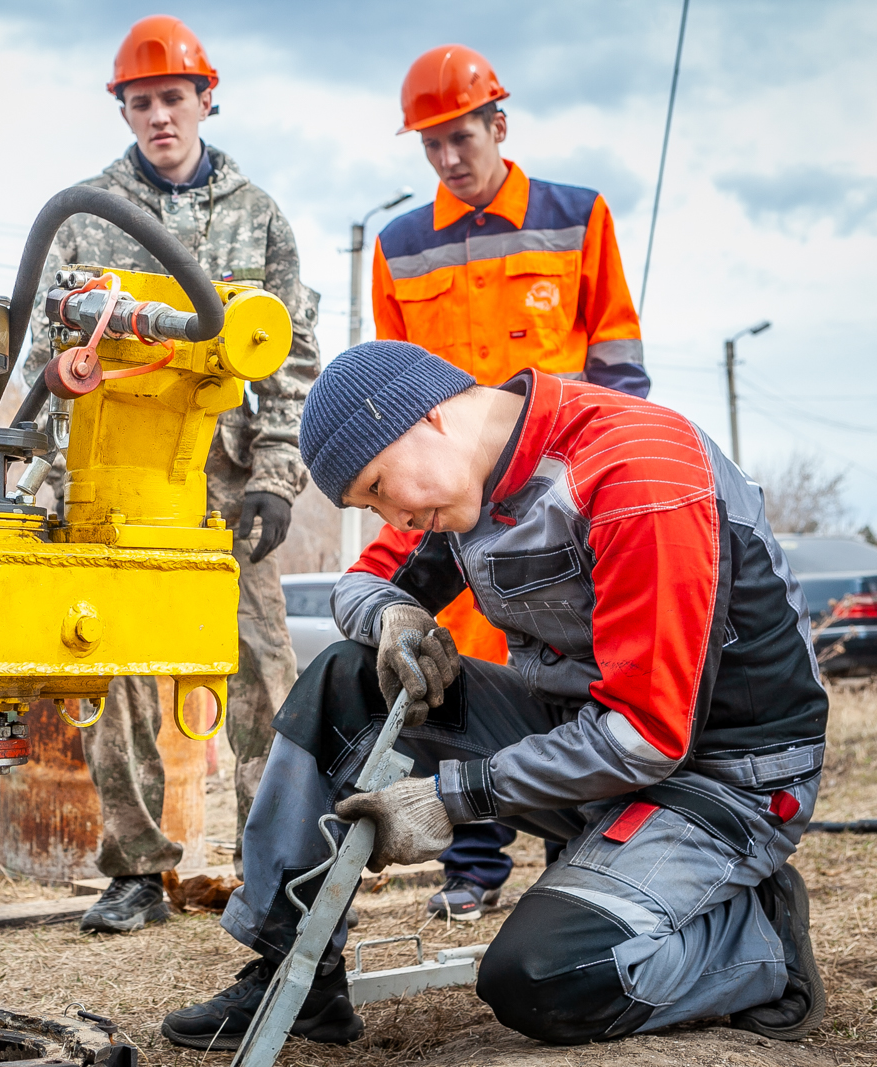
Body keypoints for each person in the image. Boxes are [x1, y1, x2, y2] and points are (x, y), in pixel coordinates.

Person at [161, 340, 826, 1050]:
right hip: (588, 742)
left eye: (380, 487)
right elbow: (355, 585)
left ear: (428, 419)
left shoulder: (635, 468)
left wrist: (450, 797)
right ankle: (291, 968)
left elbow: (647, 734)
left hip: (720, 780)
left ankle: (759, 938)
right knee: (345, 678)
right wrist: (392, 616)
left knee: (545, 976)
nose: (396, 521)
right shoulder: (463, 486)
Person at [21, 15, 320, 934]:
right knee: (117, 674)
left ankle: (275, 867)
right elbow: (46, 352)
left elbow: (291, 353)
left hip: (225, 480)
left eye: (173, 99)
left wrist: (276, 475)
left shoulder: (258, 214)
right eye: (141, 102)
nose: (159, 116)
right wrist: (44, 481)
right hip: (118, 475)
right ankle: (136, 870)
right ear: (124, 108)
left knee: (264, 671)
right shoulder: (85, 214)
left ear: (204, 99)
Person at [373, 44, 649, 922]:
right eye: (431, 144)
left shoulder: (578, 217)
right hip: (452, 502)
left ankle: (579, 853)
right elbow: (389, 388)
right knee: (451, 678)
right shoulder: (399, 246)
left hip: (557, 497)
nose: (449, 156)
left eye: (460, 136)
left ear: (499, 124)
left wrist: (606, 482)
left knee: (574, 668)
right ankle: (472, 866)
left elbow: (620, 367)